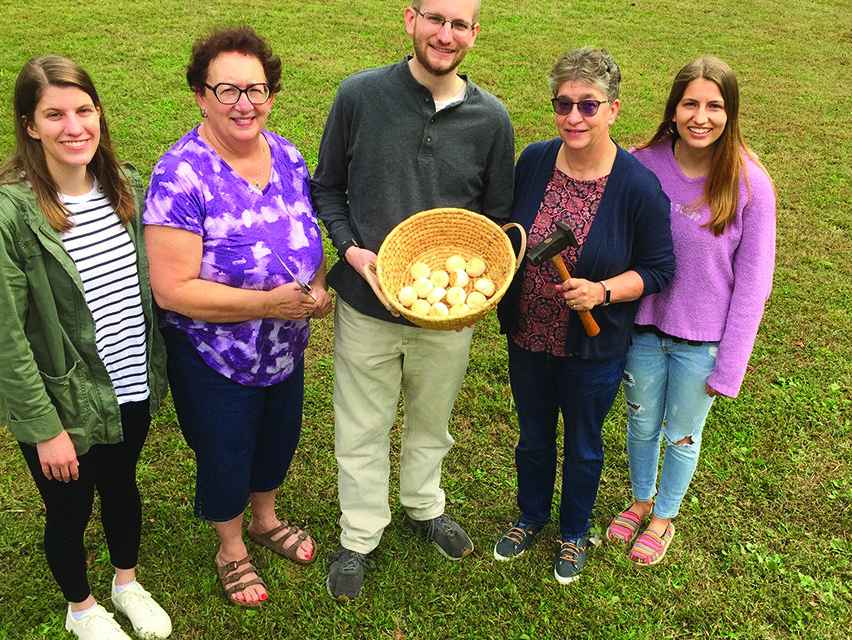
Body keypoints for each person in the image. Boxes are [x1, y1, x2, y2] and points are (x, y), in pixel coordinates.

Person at [311, 0, 514, 601]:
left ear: (474, 34)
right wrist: (349, 250)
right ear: (411, 20)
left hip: (448, 318)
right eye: (435, 19)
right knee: (360, 425)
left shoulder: (491, 119)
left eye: (459, 24)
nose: (444, 34)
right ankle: (360, 533)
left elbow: (498, 219)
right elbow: (327, 186)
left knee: (432, 420)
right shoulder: (360, 96)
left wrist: (473, 298)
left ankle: (425, 504)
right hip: (367, 302)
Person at [0, 56, 171, 639]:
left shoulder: (124, 186)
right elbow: (7, 342)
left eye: (84, 110)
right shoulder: (6, 217)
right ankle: (81, 609)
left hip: (130, 384)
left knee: (121, 487)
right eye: (53, 114)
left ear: (99, 114)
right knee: (69, 510)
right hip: (63, 404)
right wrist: (45, 428)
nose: (73, 126)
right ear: (30, 125)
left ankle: (126, 584)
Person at [143, 26, 332, 608]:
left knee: (278, 439)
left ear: (270, 95)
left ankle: (265, 519)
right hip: (214, 356)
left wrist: (318, 286)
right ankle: (231, 547)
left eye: (256, 89)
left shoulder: (289, 154)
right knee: (226, 449)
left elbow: (309, 241)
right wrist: (270, 304)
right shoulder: (180, 174)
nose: (244, 103)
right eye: (227, 90)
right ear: (201, 95)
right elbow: (172, 290)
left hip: (285, 345)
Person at [493, 48, 675, 584]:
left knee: (584, 443)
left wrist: (601, 291)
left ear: (613, 110)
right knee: (532, 437)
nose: (574, 117)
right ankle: (531, 516)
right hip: (528, 336)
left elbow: (660, 269)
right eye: (564, 103)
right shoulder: (533, 161)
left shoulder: (637, 186)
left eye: (588, 105)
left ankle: (573, 531)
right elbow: (509, 235)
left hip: (594, 348)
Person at [606, 56, 776, 565]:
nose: (701, 116)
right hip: (641, 330)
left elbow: (753, 287)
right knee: (639, 423)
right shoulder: (640, 163)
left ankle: (664, 517)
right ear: (674, 109)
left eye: (714, 106)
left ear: (731, 113)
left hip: (703, 343)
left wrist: (731, 365)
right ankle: (640, 501)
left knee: (681, 433)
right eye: (690, 104)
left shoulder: (750, 184)